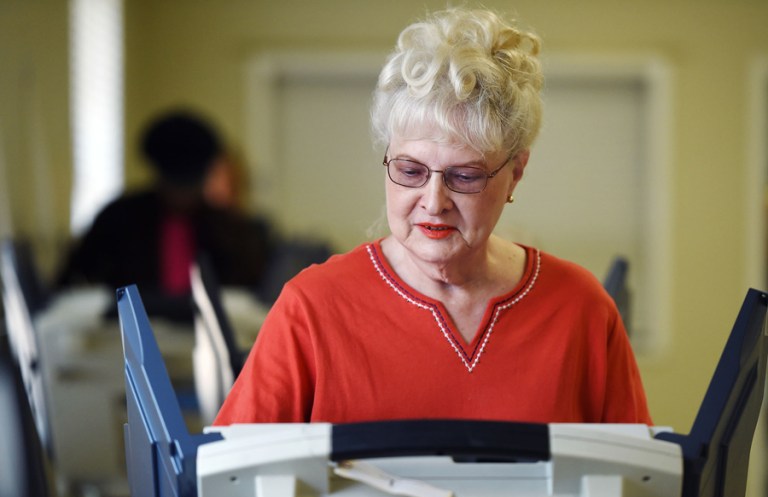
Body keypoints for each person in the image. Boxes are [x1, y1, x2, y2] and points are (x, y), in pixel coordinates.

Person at [214, 7, 652, 425]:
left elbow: (639, 486)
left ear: (515, 173)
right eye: (410, 171)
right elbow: (229, 481)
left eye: (464, 176)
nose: (433, 200)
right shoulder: (310, 308)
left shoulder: (582, 308)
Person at [56, 109, 272, 320]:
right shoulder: (118, 218)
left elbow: (252, 295)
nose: (181, 195)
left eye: (189, 183)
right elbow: (72, 281)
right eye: (175, 182)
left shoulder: (229, 227)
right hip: (127, 336)